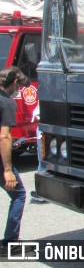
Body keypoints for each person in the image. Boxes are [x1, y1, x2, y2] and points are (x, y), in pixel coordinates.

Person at [0, 67, 31, 256]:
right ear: (15, 82)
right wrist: (8, 169)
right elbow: (4, 137)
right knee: (18, 194)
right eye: (20, 86)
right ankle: (9, 243)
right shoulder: (7, 103)